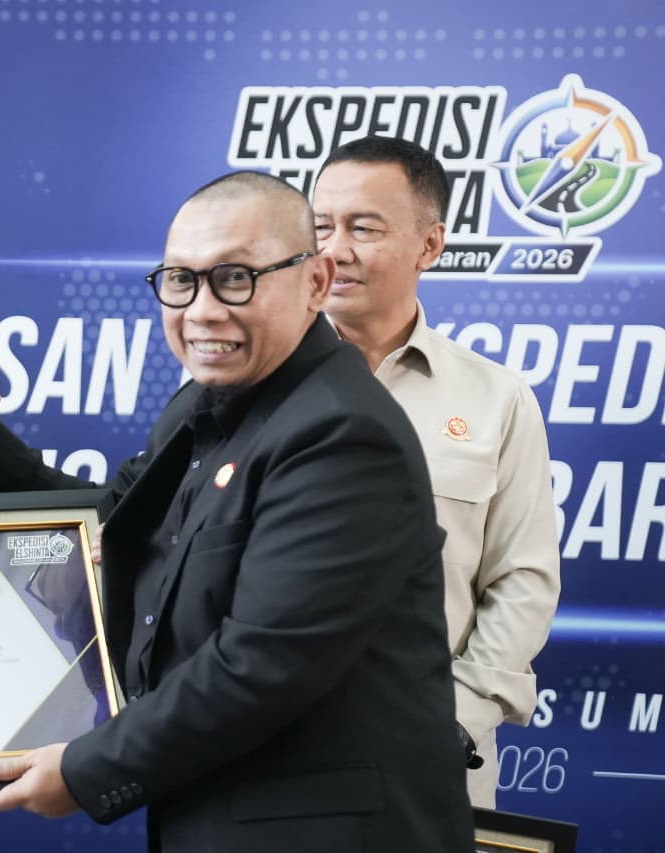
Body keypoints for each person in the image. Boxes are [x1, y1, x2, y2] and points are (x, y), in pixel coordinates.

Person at [0, 171, 473, 851]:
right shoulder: (203, 403)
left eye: (235, 278)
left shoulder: (342, 434)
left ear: (315, 282)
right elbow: (105, 525)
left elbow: (261, 665)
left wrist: (85, 769)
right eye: (181, 280)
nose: (202, 310)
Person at [313, 135, 561, 808]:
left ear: (430, 245)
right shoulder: (250, 387)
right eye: (321, 227)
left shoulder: (497, 398)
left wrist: (451, 721)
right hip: (266, 763)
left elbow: (523, 579)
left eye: (364, 228)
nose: (335, 250)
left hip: (431, 769)